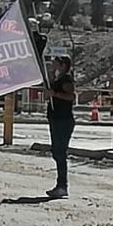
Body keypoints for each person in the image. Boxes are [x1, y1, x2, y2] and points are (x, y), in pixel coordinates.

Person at [46, 56, 76, 198]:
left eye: (56, 63)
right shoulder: (58, 79)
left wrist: (55, 94)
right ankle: (60, 184)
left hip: (63, 120)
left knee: (60, 152)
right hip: (55, 118)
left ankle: (62, 185)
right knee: (56, 152)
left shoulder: (66, 80)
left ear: (63, 65)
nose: (53, 64)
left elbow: (71, 96)